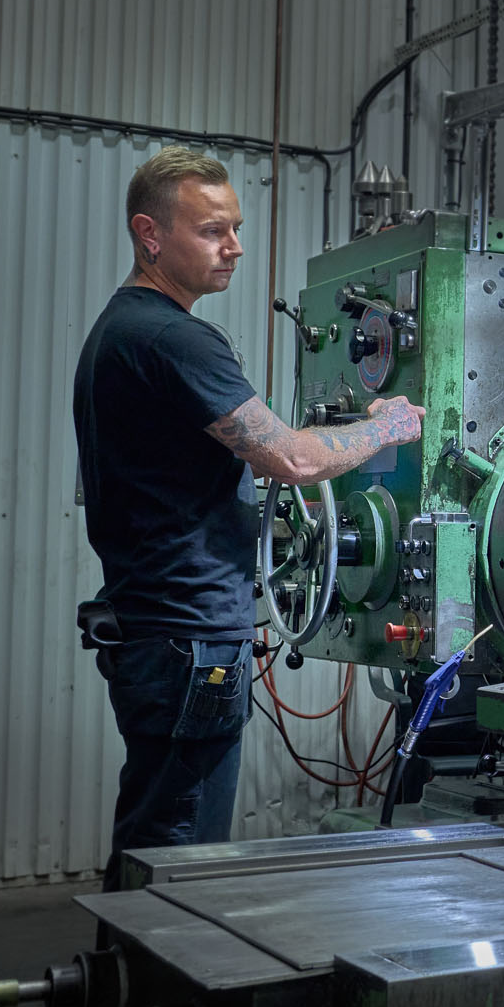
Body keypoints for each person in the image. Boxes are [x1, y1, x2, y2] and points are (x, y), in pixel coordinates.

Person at [73, 147, 426, 889]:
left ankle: (120, 995)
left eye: (235, 227)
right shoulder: (173, 337)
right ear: (151, 235)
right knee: (178, 854)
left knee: (155, 829)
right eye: (212, 230)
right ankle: (153, 997)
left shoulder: (121, 329)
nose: (234, 245)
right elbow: (292, 460)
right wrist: (387, 427)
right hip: (190, 637)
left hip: (157, 628)